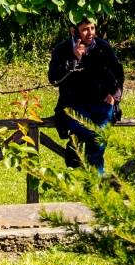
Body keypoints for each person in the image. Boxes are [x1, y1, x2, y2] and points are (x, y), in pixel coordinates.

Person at [48, 18, 124, 172]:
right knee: (94, 137)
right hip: (74, 105)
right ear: (73, 31)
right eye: (85, 29)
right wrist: (74, 59)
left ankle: (77, 155)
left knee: (98, 141)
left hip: (101, 105)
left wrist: (114, 96)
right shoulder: (62, 50)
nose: (90, 33)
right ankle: (93, 185)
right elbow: (54, 79)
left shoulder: (103, 47)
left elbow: (118, 74)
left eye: (92, 28)